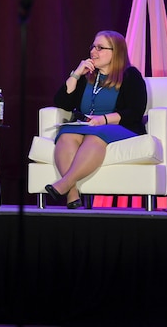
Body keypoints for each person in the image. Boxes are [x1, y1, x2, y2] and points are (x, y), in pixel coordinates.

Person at [44, 30, 147, 209]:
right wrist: (76, 74)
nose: (93, 52)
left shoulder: (130, 76)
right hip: (86, 125)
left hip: (119, 127)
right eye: (93, 46)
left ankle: (63, 184)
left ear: (117, 51)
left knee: (95, 136)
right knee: (66, 134)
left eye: (100, 48)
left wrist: (103, 120)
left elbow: (135, 111)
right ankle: (72, 193)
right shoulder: (87, 77)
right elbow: (62, 102)